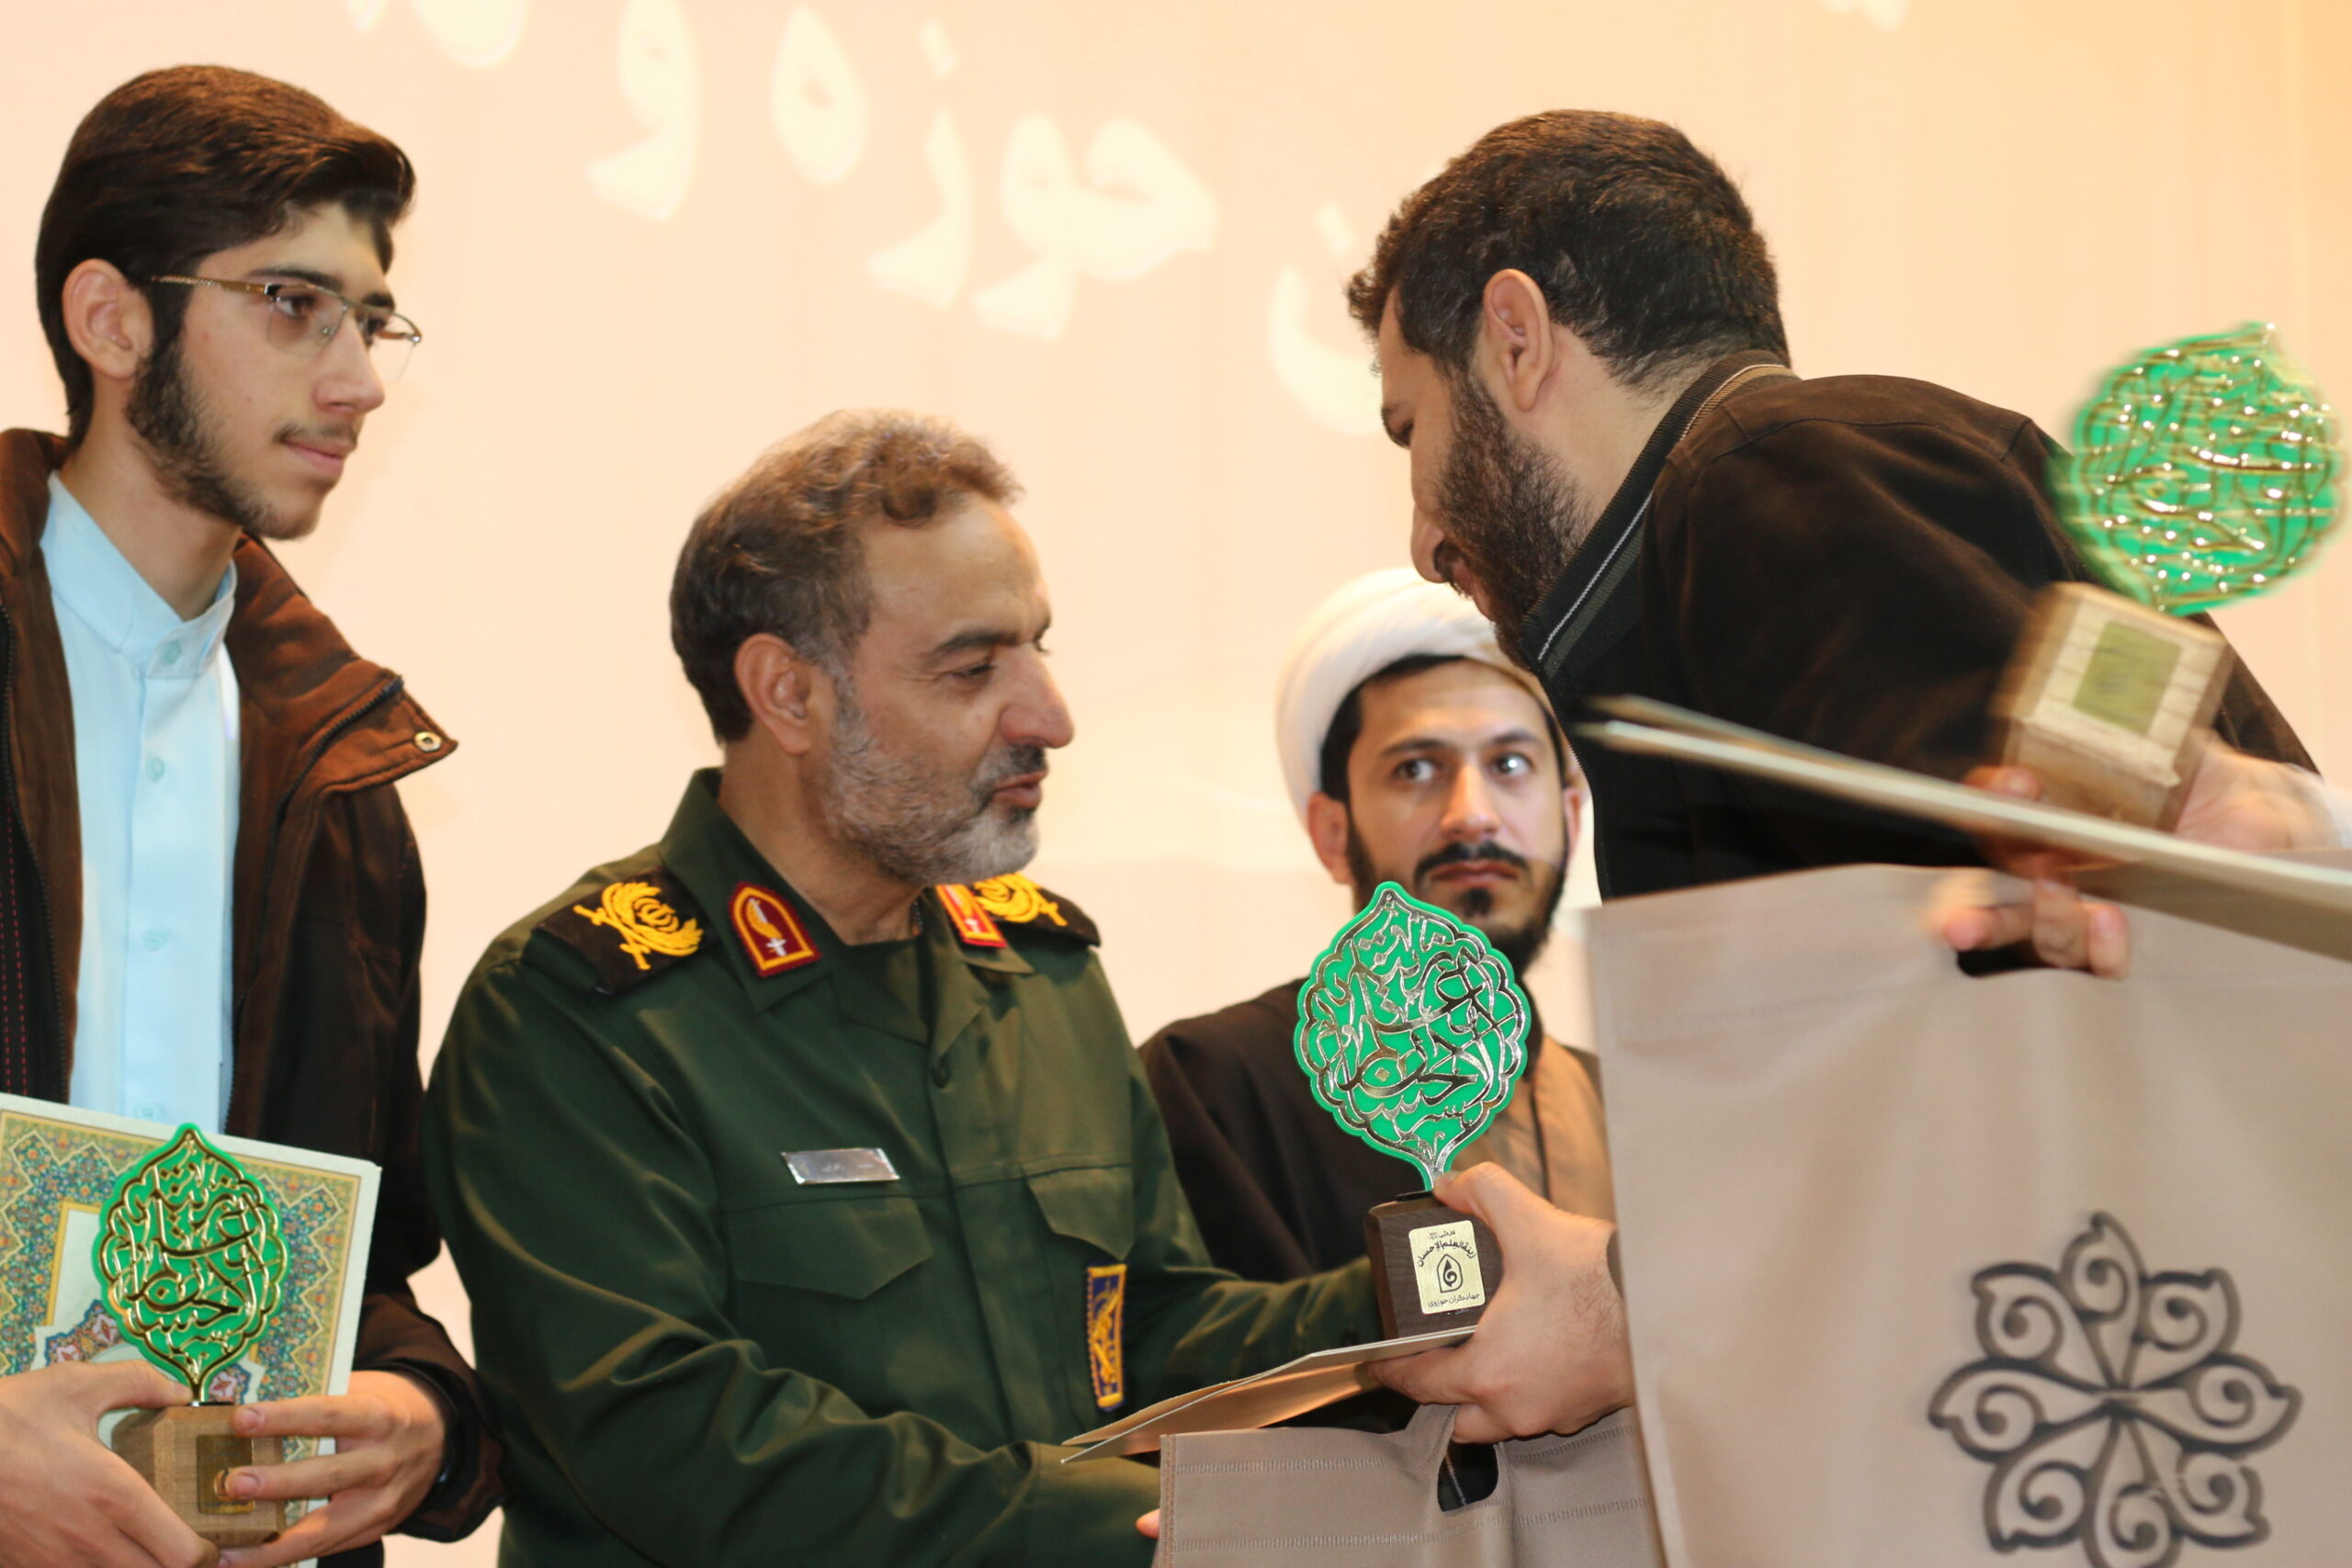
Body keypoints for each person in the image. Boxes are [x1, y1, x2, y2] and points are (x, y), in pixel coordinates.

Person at [423, 412, 1398, 1568]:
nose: (1050, 717)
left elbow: (1147, 1334)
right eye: (974, 668)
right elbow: (682, 1448)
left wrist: (1426, 1294)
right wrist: (1127, 1533)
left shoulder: (1041, 973)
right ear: (788, 694)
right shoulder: (578, 1015)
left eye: (1038, 649)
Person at [1344, 110, 2339, 976]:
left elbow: (2043, 971)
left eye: (1411, 426)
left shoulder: (1767, 486)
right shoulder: (1785, 494)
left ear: (1516, 340)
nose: (1425, 542)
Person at [0, 68, 499, 1568]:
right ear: (111, 321)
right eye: (294, 304)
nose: (358, 382)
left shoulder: (342, 769)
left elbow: (364, 1255)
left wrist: (420, 1408)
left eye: (372, 321)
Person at [1142, 569, 1610, 1281]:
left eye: (1510, 764)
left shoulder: (1634, 1106)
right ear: (1333, 833)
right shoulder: (1217, 1085)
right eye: (1416, 769)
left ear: (1572, 816)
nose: (1473, 815)